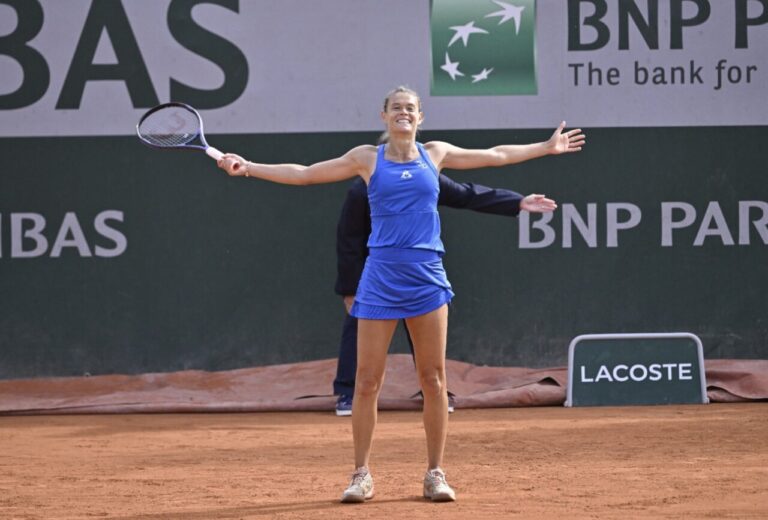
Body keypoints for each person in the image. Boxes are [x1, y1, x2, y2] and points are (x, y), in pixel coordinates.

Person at [216, 86, 585, 503]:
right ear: (384, 116)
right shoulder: (366, 159)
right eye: (397, 108)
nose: (403, 114)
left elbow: (496, 154)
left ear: (420, 116)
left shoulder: (436, 153)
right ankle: (361, 475)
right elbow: (304, 173)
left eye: (410, 108)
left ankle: (435, 474)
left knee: (434, 380)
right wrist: (248, 167)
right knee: (367, 381)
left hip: (427, 276)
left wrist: (546, 147)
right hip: (380, 279)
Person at [333, 174, 530, 416]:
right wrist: (350, 288)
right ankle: (349, 392)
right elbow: (349, 240)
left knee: (427, 335)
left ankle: (433, 391)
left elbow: (465, 194)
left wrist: (517, 202)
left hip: (418, 274)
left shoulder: (424, 176)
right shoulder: (362, 189)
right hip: (377, 276)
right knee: (359, 328)